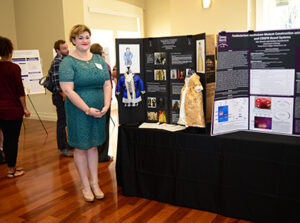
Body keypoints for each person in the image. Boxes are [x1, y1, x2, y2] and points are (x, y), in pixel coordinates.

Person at [59, 25, 112, 202]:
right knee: (81, 147)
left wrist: (106, 104)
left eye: (87, 37)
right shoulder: (68, 62)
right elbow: (67, 90)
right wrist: (87, 109)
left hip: (99, 111)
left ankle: (95, 183)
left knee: (94, 145)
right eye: (80, 37)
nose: (85, 40)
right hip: (79, 112)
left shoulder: (98, 58)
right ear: (73, 40)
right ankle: (85, 184)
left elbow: (107, 83)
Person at [0, 36, 31, 178]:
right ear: (10, 51)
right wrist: (25, 108)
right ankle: (11, 169)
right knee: (12, 139)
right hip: (12, 110)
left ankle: (10, 165)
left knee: (5, 139)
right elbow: (20, 91)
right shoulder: (13, 68)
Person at [49, 40, 73, 157]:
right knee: (62, 122)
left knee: (67, 121)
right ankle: (63, 148)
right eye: (64, 48)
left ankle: (67, 144)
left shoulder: (65, 60)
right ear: (57, 51)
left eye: (67, 47)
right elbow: (56, 82)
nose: (67, 50)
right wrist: (64, 95)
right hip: (61, 97)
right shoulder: (57, 62)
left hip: (66, 96)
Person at [90, 43, 113, 162]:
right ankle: (103, 155)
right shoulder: (105, 66)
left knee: (94, 128)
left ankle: (94, 154)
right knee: (104, 128)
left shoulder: (88, 66)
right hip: (104, 100)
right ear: (101, 53)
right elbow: (108, 84)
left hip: (92, 101)